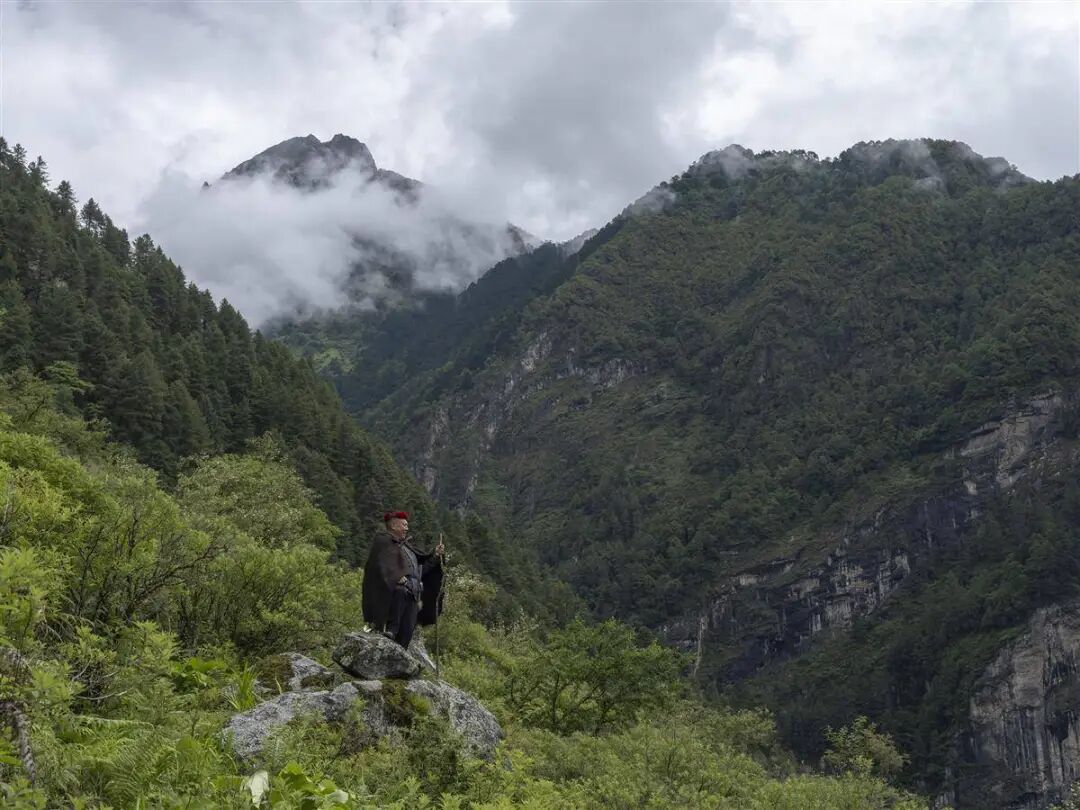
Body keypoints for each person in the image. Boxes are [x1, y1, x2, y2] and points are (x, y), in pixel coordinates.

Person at [362, 511, 445, 648]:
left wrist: (435, 555)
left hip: (413, 597)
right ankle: (389, 632)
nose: (407, 528)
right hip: (395, 597)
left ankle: (398, 653)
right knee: (391, 631)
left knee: (406, 635)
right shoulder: (382, 542)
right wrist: (395, 576)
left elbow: (420, 571)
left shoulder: (407, 548)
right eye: (404, 525)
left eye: (407, 525)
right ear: (394, 525)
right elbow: (378, 565)